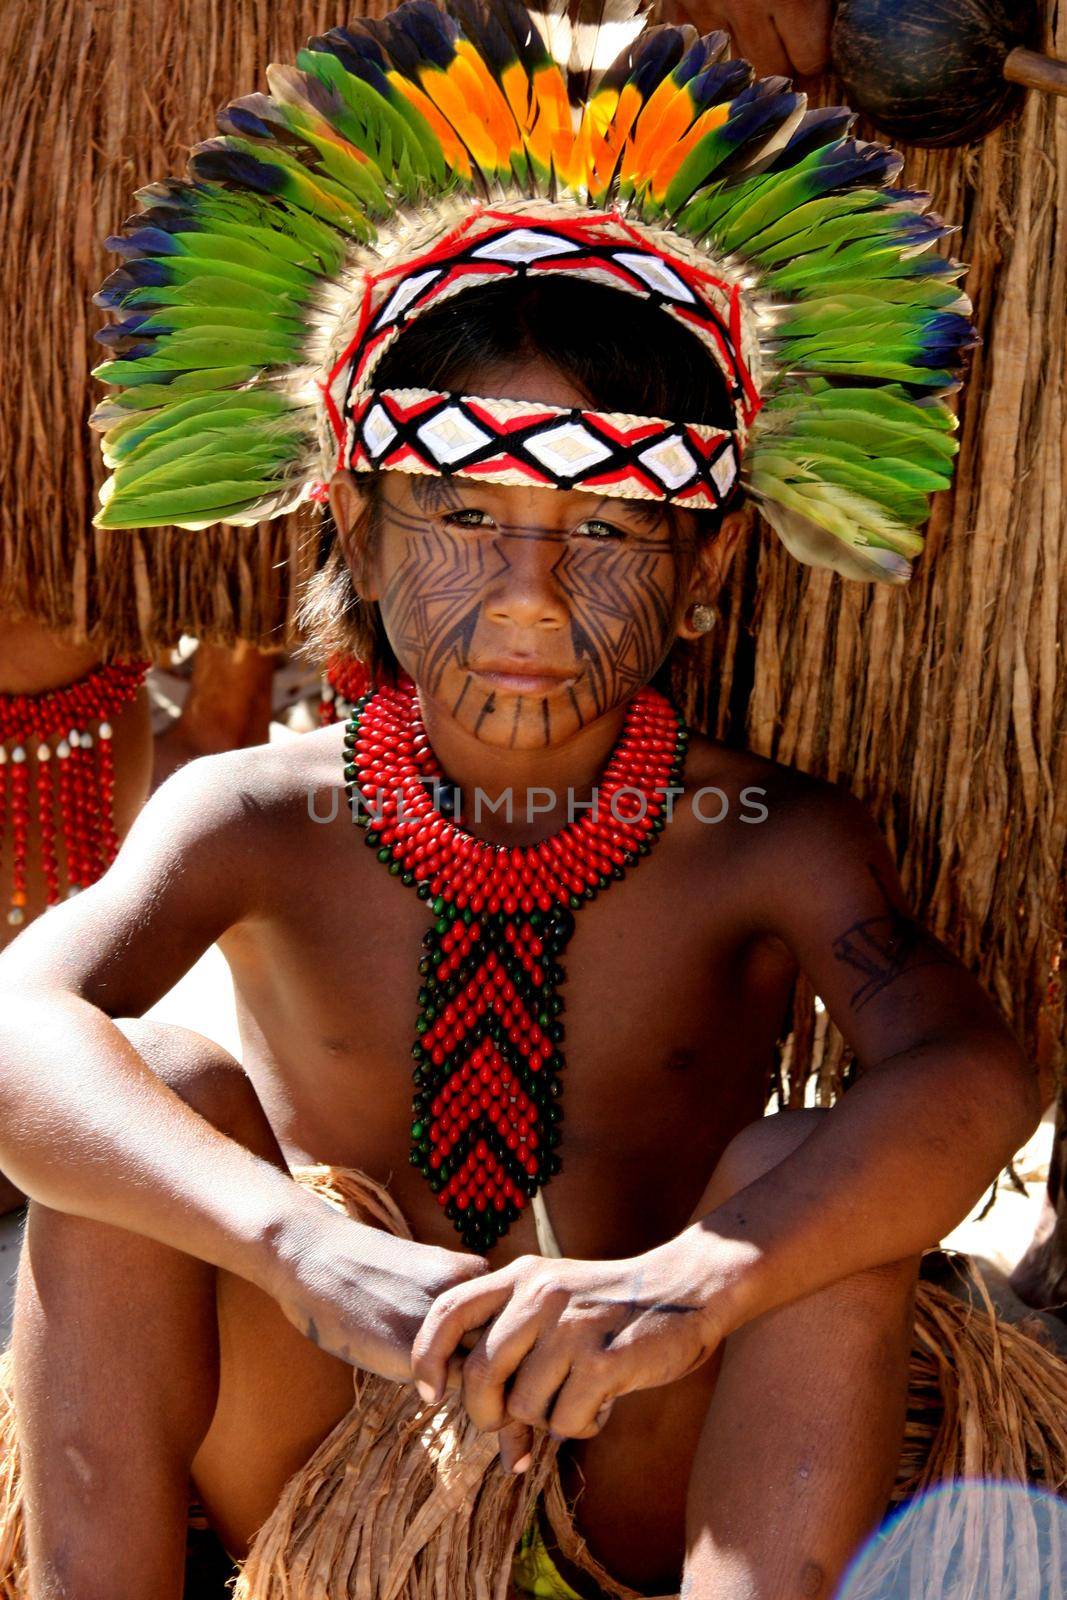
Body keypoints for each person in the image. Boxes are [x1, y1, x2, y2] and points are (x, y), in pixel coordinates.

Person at [0, 3, 1038, 1596]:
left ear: (708, 567)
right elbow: (20, 1025)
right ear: (353, 520)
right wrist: (304, 1249)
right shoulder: (253, 817)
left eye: (609, 531)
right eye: (466, 513)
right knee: (154, 1091)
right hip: (309, 1439)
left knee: (802, 1190)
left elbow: (970, 1074)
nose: (532, 597)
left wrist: (688, 1288)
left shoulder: (766, 844)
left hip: (632, 1452)